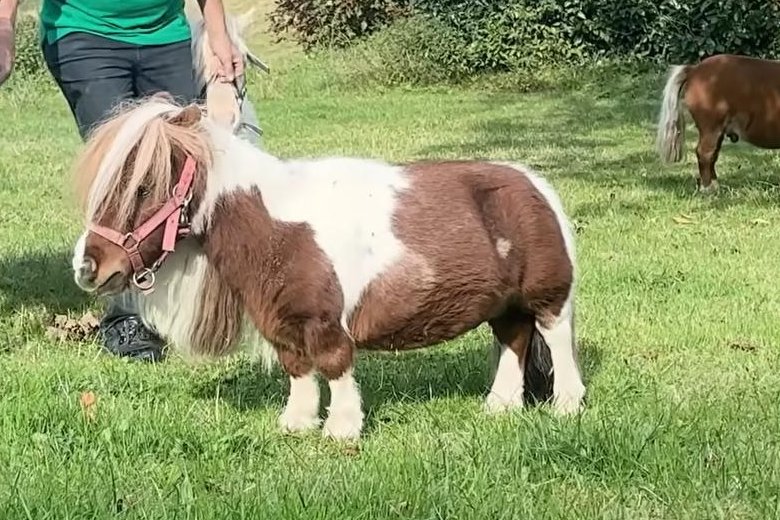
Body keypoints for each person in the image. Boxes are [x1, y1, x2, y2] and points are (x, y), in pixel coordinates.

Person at [0, 0, 244, 362]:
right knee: (122, 165)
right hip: (84, 34)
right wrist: (5, 25)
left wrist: (219, 35)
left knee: (181, 162)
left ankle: (187, 304)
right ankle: (126, 316)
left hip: (165, 34)